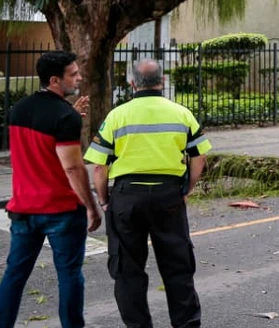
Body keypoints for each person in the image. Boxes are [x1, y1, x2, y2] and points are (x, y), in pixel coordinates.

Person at [84, 59, 212, 328]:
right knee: (178, 267)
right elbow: (199, 158)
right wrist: (186, 188)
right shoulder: (181, 113)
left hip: (126, 198)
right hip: (169, 197)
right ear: (162, 82)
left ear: (132, 84)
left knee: (127, 271)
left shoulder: (117, 116)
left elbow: (99, 166)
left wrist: (104, 200)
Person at [0, 50, 102, 328]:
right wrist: (91, 206)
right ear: (55, 79)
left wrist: (69, 114)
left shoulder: (19, 109)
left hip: (23, 209)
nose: (79, 77)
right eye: (73, 74)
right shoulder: (65, 117)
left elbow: (40, 146)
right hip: (61, 210)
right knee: (69, 275)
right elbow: (73, 169)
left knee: (14, 275)